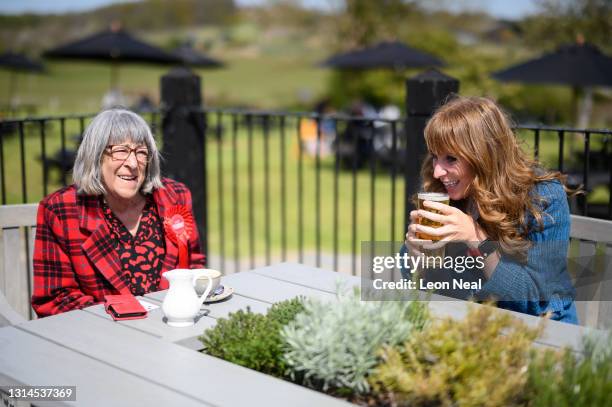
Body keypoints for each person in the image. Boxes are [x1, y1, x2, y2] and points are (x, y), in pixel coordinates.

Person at [403, 96, 578, 323]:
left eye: (451, 158)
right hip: (472, 325)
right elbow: (419, 281)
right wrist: (414, 256)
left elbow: (536, 301)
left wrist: (476, 238)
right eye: (435, 157)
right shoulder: (446, 192)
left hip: (542, 336)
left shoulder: (543, 197)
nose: (437, 172)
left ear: (484, 155)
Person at [32, 108, 205, 317]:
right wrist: (124, 315)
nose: (132, 163)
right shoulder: (61, 210)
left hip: (173, 323)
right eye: (121, 151)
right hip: (101, 336)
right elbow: (55, 299)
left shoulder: (174, 196)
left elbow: (194, 266)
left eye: (141, 152)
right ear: (96, 156)